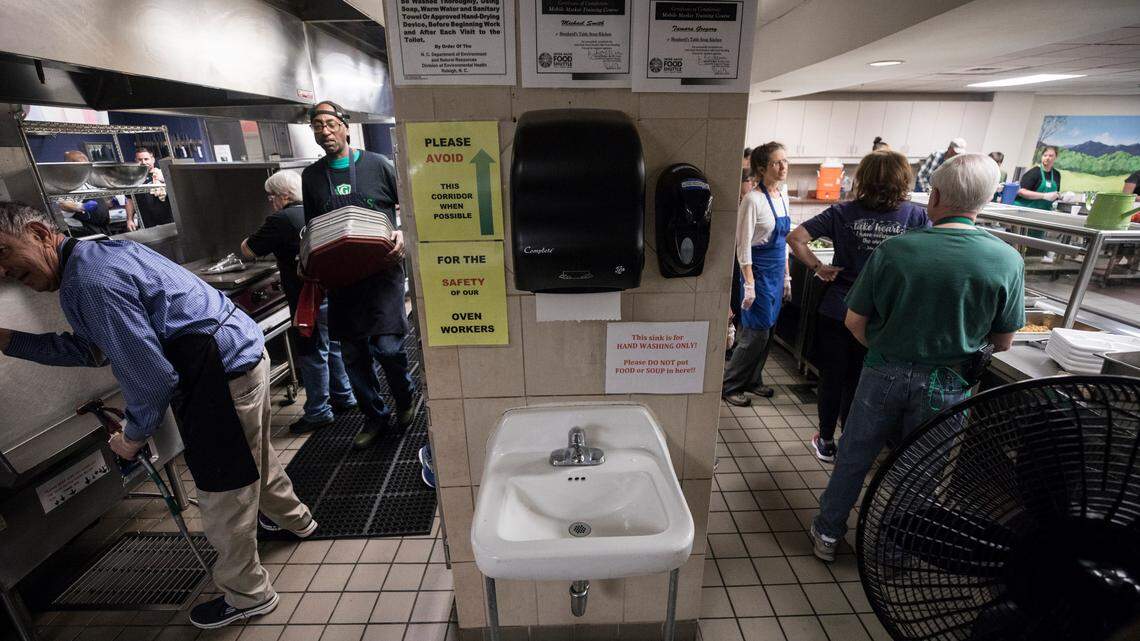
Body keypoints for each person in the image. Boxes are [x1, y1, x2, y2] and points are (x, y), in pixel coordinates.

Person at [0, 201, 316, 628]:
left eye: (3, 251)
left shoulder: (88, 282)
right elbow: (93, 349)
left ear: (39, 232)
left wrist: (131, 438)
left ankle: (248, 595)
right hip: (240, 355)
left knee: (225, 490)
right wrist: (10, 341)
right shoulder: (98, 255)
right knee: (254, 456)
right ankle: (296, 521)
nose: (2, 270)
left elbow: (150, 377)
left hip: (217, 376)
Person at [808, 154, 1025, 562]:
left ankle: (828, 535)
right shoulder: (1007, 259)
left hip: (883, 371)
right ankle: (896, 551)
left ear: (936, 195)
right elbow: (1005, 339)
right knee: (920, 468)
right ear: (986, 199)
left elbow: (855, 320)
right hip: (949, 382)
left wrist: (885, 346)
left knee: (855, 455)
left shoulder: (897, 251)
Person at [786, 150, 930, 463]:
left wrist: (818, 268)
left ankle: (825, 439)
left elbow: (796, 238)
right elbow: (929, 258)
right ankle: (854, 439)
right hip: (883, 314)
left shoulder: (843, 212)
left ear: (863, 178)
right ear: (903, 180)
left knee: (833, 377)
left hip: (839, 307)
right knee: (864, 379)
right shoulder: (915, 217)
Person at [301, 100, 415, 450]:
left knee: (387, 347)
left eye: (330, 123)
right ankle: (374, 416)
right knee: (352, 356)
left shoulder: (377, 165)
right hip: (342, 280)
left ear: (345, 126)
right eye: (317, 125)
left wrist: (403, 234)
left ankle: (405, 397)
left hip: (382, 273)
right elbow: (312, 227)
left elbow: (408, 210)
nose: (325, 130)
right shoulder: (312, 177)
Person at [240, 169, 356, 435]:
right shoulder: (319, 209)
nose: (271, 201)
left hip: (306, 297)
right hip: (331, 289)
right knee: (333, 345)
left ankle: (318, 412)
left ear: (283, 196)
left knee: (312, 351)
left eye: (271, 197)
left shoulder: (280, 219)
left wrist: (247, 238)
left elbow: (248, 251)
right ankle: (344, 395)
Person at [723, 142, 792, 407]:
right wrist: (748, 283)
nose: (783, 166)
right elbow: (743, 245)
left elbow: (783, 240)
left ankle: (753, 379)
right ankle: (730, 385)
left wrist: (787, 277)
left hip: (776, 273)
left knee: (770, 330)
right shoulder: (753, 200)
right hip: (757, 274)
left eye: (785, 161)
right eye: (776, 162)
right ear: (763, 168)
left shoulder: (782, 196)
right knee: (755, 333)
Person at [56, 150, 113, 237]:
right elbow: (61, 204)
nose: (85, 171)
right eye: (81, 167)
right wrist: (81, 206)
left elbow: (99, 197)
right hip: (85, 228)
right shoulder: (61, 184)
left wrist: (110, 201)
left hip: (103, 226)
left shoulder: (87, 180)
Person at [126, 147, 174, 229]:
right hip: (147, 224)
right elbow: (130, 200)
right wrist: (129, 219)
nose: (143, 162)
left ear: (153, 160)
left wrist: (163, 181)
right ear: (136, 160)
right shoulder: (133, 179)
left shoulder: (163, 175)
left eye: (146, 159)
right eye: (140, 159)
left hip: (168, 221)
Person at [1013, 145, 1062, 210]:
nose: (1047, 158)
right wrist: (1044, 196)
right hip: (1024, 209)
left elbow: (1054, 195)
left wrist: (1061, 197)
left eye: (1050, 156)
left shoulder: (1057, 174)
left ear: (1055, 157)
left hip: (1043, 211)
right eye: (1045, 155)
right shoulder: (1034, 172)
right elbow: (1021, 192)